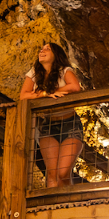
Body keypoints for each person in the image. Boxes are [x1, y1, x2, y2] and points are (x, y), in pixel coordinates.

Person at [21, 41, 86, 187]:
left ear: (56, 55)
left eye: (47, 49)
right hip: (48, 125)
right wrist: (44, 93)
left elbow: (75, 87)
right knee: (51, 173)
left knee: (63, 173)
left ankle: (67, 206)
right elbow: (23, 96)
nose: (41, 51)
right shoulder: (34, 73)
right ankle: (50, 207)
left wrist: (52, 92)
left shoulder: (64, 70)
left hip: (70, 123)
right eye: (41, 49)